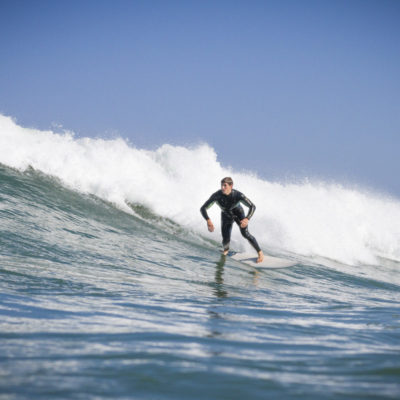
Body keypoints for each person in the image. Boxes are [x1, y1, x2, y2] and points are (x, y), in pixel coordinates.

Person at [200, 177, 264, 263]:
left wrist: (247, 219)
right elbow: (203, 208)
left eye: (225, 186)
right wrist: (208, 220)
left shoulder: (238, 195)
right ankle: (226, 250)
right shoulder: (217, 195)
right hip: (226, 215)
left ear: (231, 186)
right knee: (225, 239)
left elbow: (252, 206)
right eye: (221, 185)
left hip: (238, 213)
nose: (222, 188)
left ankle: (260, 253)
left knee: (245, 234)